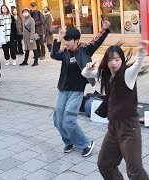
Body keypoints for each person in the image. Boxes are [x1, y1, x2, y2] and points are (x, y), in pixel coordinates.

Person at [81, 42, 149, 179]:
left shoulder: (127, 75)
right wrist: (88, 67)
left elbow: (137, 66)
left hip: (129, 129)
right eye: (110, 60)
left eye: (117, 60)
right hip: (113, 128)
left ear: (122, 60)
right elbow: (85, 73)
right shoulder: (106, 74)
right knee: (104, 163)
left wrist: (141, 52)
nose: (114, 63)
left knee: (135, 171)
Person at [50, 21, 111, 157]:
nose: (66, 43)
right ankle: (69, 142)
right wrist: (58, 39)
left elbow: (97, 41)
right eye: (65, 40)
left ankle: (85, 143)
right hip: (63, 89)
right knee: (58, 119)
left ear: (77, 40)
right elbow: (53, 54)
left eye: (69, 40)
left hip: (77, 91)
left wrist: (105, 30)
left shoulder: (85, 49)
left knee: (69, 120)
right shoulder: (65, 52)